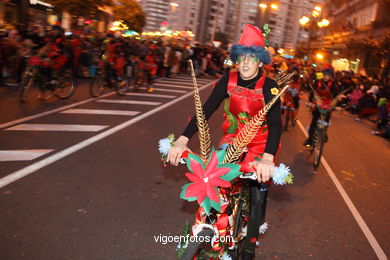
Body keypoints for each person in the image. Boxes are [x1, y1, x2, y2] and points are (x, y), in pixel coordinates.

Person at [166, 24, 282, 259]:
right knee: (214, 176)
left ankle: (248, 249)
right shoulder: (227, 81)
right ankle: (216, 225)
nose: (245, 63)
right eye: (241, 57)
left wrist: (268, 158)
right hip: (233, 140)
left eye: (251, 58)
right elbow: (205, 110)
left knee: (258, 200)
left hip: (261, 146)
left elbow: (277, 125)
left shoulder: (269, 86)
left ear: (260, 62)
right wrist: (182, 139)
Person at [303, 69, 335, 146]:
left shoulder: (333, 84)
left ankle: (324, 132)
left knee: (326, 121)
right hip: (317, 104)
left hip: (327, 105)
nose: (326, 76)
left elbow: (336, 94)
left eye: (328, 75)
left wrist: (337, 104)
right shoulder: (318, 82)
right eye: (325, 74)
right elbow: (312, 92)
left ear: (330, 76)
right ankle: (310, 140)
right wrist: (310, 102)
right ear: (323, 74)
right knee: (314, 123)